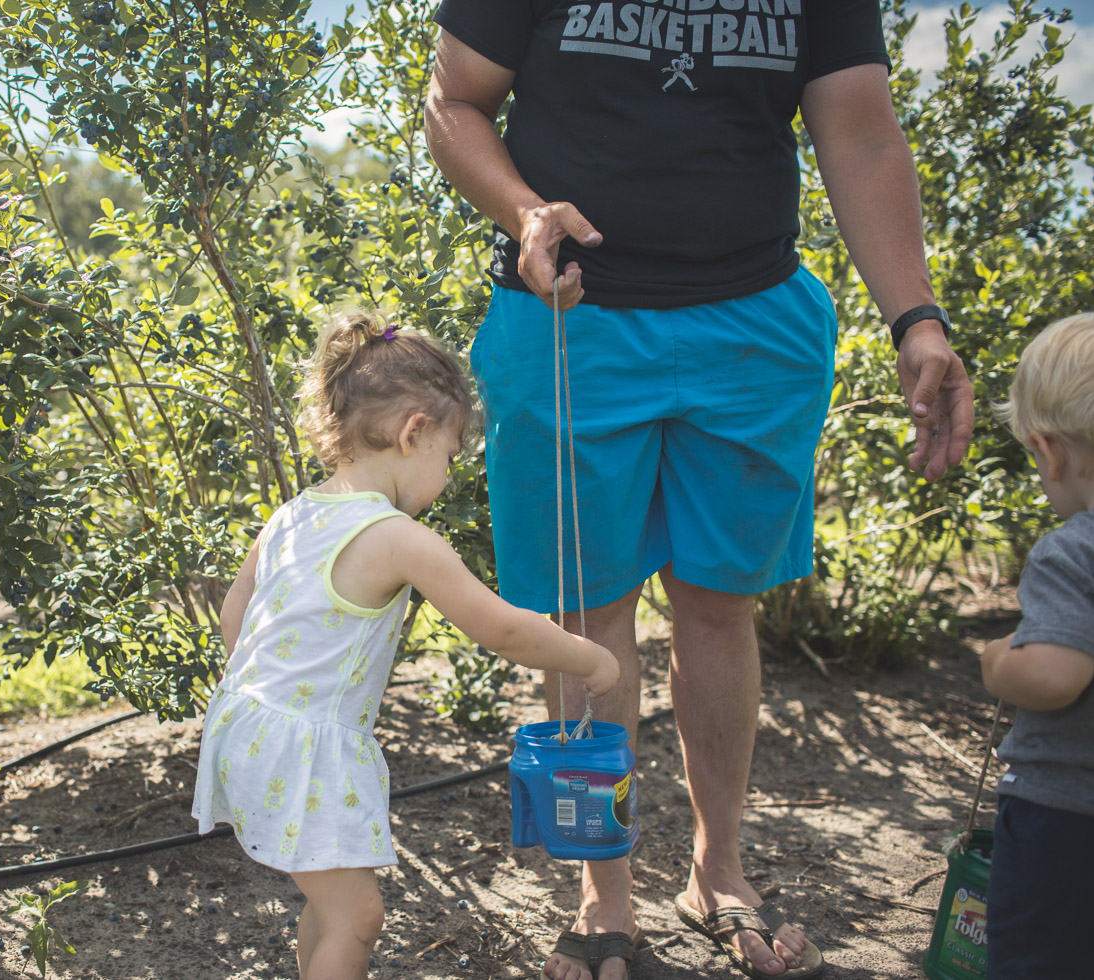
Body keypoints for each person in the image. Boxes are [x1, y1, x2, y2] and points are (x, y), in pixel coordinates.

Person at [423, 3, 975, 979]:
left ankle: (719, 870)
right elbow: (454, 103)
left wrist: (916, 316)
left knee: (721, 606)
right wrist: (522, 209)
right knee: (586, 621)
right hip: (569, 325)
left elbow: (859, 130)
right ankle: (604, 892)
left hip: (754, 323)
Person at [190, 311, 621, 980]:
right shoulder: (396, 537)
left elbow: (233, 615)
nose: (448, 477)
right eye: (450, 458)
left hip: (245, 724)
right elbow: (502, 627)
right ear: (413, 432)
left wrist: (265, 702)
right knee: (358, 916)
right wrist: (589, 658)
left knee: (330, 903)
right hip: (305, 746)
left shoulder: (294, 512)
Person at [980, 313, 1094, 979]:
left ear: (1048, 451)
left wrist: (1000, 660)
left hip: (1065, 824)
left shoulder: (1072, 551)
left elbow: (1052, 676)